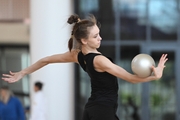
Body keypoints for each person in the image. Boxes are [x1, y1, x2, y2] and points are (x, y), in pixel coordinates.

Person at [1, 14, 168, 120]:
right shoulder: (100, 61)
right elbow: (130, 78)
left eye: (99, 34)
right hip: (102, 112)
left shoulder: (77, 55)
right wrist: (155, 76)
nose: (100, 38)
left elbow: (46, 60)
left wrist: (22, 73)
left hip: (91, 110)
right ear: (84, 40)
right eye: (96, 36)